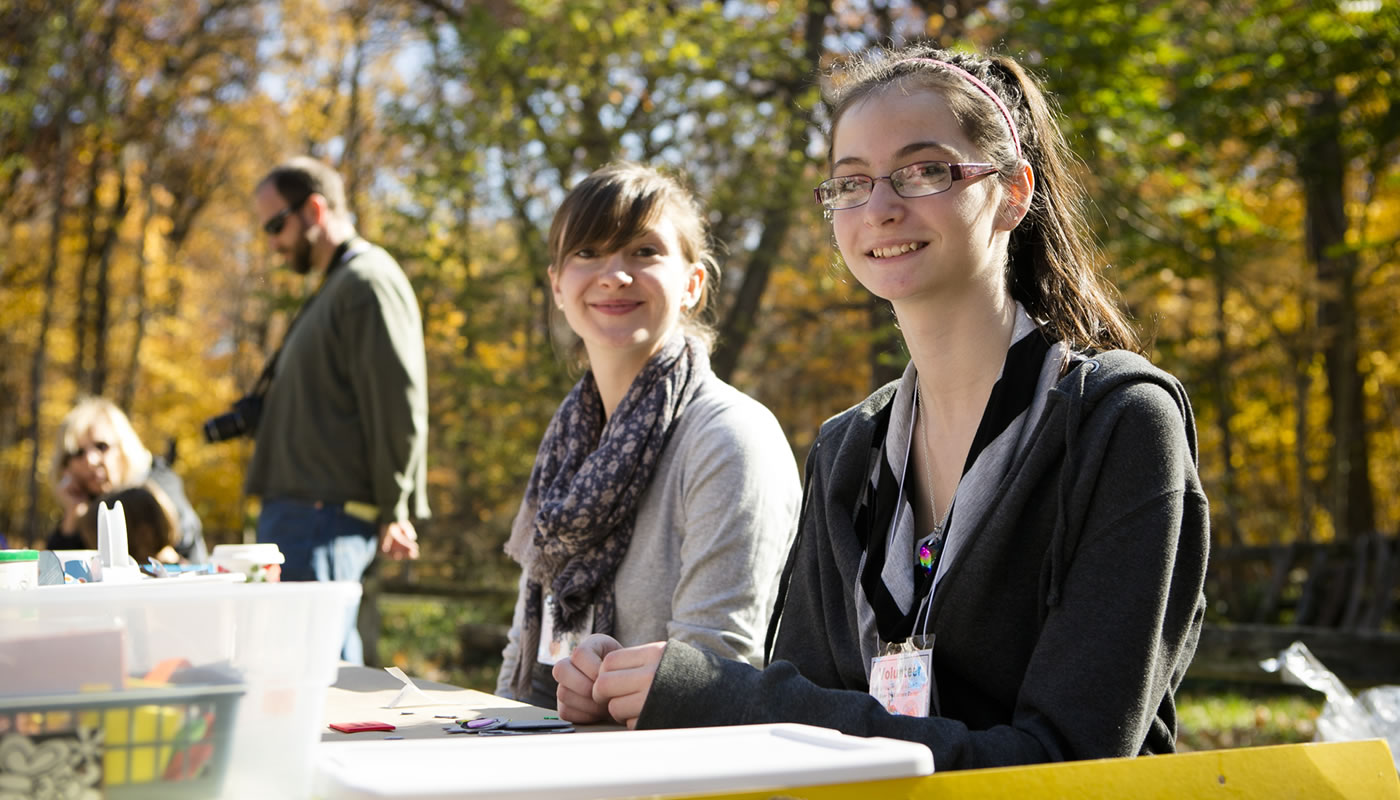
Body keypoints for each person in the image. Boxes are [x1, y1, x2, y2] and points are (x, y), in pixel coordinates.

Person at [561, 45, 1210, 770]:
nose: (881, 206)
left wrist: (719, 697)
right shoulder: (847, 450)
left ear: (1013, 192)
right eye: (851, 182)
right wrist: (650, 693)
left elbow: (1064, 763)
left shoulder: (1120, 423)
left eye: (926, 170)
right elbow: (799, 733)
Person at [495, 162, 802, 711]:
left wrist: (603, 697)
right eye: (587, 252)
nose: (613, 275)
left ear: (692, 283)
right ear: (558, 287)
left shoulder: (730, 437)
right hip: (546, 752)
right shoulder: (569, 443)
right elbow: (523, 646)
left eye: (644, 251)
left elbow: (714, 674)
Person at [244, 156, 428, 664]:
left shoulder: (367, 282)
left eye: (276, 225)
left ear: (315, 210)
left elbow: (397, 398)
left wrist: (397, 504)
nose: (273, 242)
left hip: (323, 519)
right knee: (318, 676)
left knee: (305, 673)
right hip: (303, 516)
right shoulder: (337, 286)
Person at [46, 396, 207, 562]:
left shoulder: (157, 482)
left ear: (124, 447)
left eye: (101, 446)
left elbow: (186, 543)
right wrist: (74, 515)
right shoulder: (82, 506)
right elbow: (57, 573)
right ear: (65, 464)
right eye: (78, 453)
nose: (91, 460)